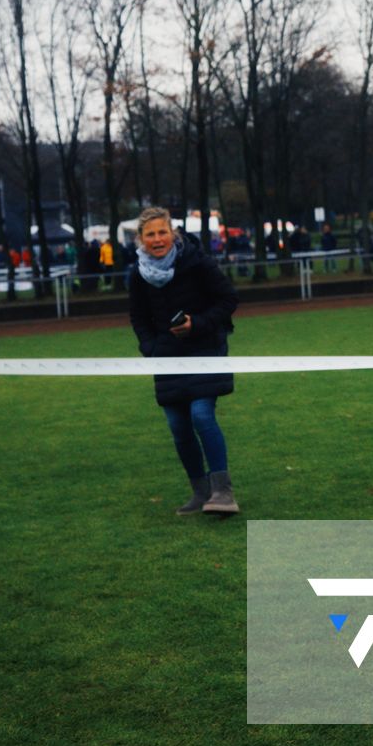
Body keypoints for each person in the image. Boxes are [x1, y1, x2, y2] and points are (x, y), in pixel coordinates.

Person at [127, 206, 241, 517]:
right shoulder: (137, 273)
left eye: (162, 232)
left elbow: (229, 299)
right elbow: (138, 316)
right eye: (150, 234)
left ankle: (223, 492)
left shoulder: (197, 261)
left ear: (173, 233)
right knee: (178, 426)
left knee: (202, 415)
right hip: (165, 356)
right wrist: (150, 347)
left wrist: (197, 324)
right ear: (141, 239)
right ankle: (200, 493)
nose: (158, 238)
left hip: (205, 347)